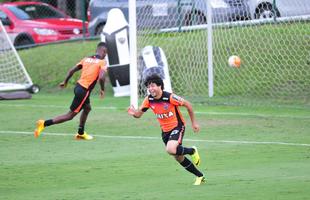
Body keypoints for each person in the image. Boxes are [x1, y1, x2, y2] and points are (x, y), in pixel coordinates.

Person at [127, 74, 205, 185]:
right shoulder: (148, 100)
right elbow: (139, 115)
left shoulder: (170, 97)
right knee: (178, 157)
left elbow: (189, 105)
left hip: (177, 126)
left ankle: (192, 151)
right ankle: (200, 176)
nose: (150, 89)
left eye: (153, 86)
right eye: (148, 86)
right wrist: (133, 113)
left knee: (171, 149)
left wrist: (194, 123)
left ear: (160, 86)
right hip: (165, 131)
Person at [34, 42, 108, 140]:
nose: (106, 55)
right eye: (106, 53)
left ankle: (80, 133)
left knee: (87, 108)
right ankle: (43, 123)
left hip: (78, 87)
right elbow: (101, 78)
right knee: (69, 116)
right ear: (103, 51)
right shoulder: (102, 62)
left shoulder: (86, 59)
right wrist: (102, 89)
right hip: (84, 91)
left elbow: (71, 70)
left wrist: (65, 82)